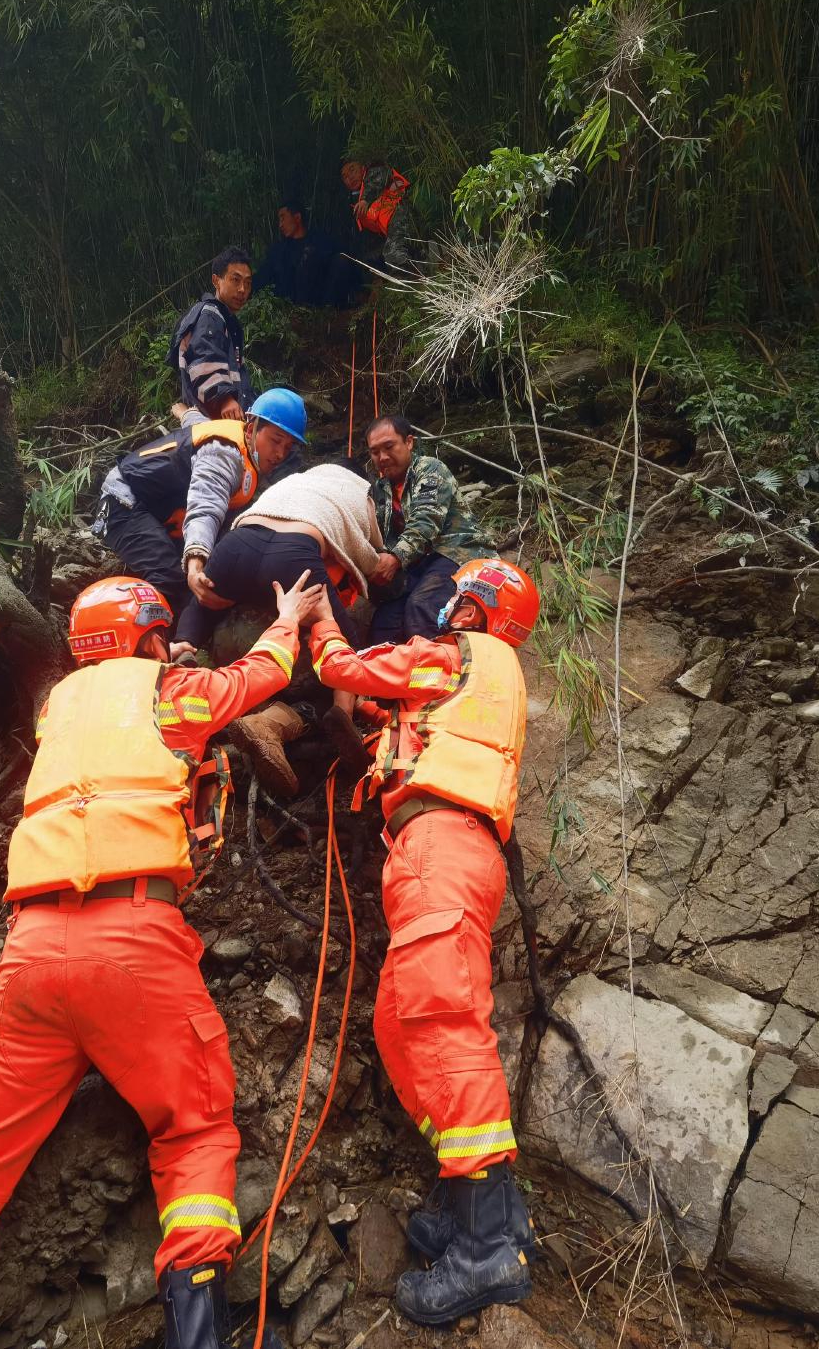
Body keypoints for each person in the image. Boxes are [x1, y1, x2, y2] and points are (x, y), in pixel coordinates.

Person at [0, 571, 325, 1349]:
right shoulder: (175, 692)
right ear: (152, 638)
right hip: (133, 939)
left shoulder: (57, 706)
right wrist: (290, 618)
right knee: (192, 1126)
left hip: (31, 952)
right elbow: (257, 676)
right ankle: (197, 1329)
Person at [307, 558, 540, 1326]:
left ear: (475, 611)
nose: (449, 609)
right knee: (400, 1026)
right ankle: (485, 1206)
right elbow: (411, 716)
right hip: (445, 850)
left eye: (460, 601)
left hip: (442, 845)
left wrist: (316, 619)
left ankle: (485, 1252)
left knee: (443, 1026)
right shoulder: (482, 677)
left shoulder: (452, 655)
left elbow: (344, 668)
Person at [171, 463, 384, 794]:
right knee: (343, 639)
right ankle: (343, 712)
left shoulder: (294, 480)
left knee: (205, 600)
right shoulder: (360, 491)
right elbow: (367, 551)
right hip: (293, 554)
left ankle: (183, 649)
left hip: (238, 543)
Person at [95, 388, 308, 616]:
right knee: (171, 578)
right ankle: (149, 634)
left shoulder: (235, 439)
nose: (280, 454)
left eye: (287, 447)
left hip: (156, 508)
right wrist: (195, 561)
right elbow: (206, 504)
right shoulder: (224, 455)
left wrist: (184, 412)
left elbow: (198, 423)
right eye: (275, 441)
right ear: (251, 428)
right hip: (122, 502)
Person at [363, 416, 495, 643]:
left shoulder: (429, 469)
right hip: (419, 566)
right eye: (375, 452)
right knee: (384, 624)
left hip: (458, 554)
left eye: (389, 446)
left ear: (409, 442)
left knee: (422, 606)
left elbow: (426, 520)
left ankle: (439, 665)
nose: (382, 457)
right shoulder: (380, 489)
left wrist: (395, 558)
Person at [171, 247, 257, 422]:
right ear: (216, 281)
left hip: (226, 420)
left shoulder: (228, 322)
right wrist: (224, 399)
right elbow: (204, 360)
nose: (242, 289)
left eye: (247, 283)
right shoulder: (209, 316)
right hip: (211, 421)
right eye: (235, 280)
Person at [251, 202, 335, 307]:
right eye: (279, 220)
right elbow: (263, 275)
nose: (280, 225)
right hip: (291, 306)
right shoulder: (279, 250)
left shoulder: (318, 241)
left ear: (297, 217)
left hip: (320, 304)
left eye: (283, 218)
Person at [341, 160, 416, 274]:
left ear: (362, 167)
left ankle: (406, 280)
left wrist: (365, 200)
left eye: (352, 170)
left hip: (407, 213)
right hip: (393, 230)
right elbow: (371, 243)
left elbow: (377, 180)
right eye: (345, 176)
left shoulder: (374, 172)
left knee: (393, 253)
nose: (350, 177)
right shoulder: (353, 206)